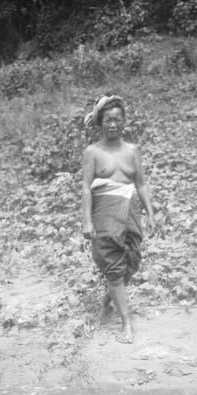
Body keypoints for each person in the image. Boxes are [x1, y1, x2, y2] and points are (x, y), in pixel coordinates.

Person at [82, 95, 156, 343]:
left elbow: (142, 184)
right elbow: (85, 188)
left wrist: (151, 212)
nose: (112, 124)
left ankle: (110, 297)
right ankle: (126, 322)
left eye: (117, 119)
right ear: (99, 122)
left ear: (124, 122)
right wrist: (87, 222)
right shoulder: (92, 153)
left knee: (131, 260)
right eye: (107, 120)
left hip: (130, 212)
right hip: (104, 214)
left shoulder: (132, 151)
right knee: (113, 265)